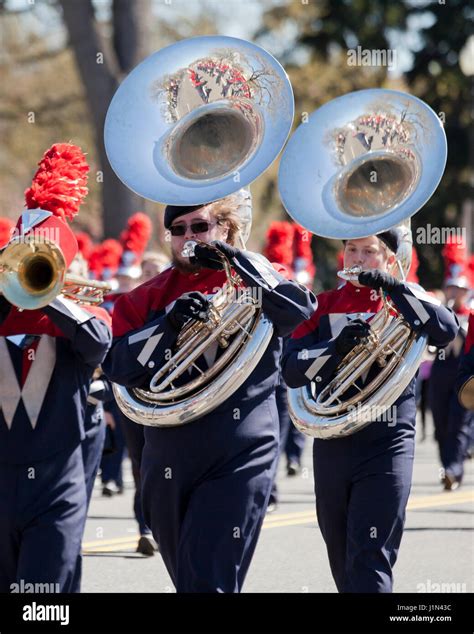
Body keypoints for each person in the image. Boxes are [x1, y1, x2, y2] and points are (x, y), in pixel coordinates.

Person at [103, 193, 316, 592]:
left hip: (241, 448)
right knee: (193, 580)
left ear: (224, 228)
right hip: (167, 455)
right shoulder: (145, 298)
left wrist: (237, 262)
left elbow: (297, 311)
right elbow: (118, 367)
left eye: (200, 227)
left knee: (208, 579)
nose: (188, 237)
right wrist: (167, 325)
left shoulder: (256, 274)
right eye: (178, 230)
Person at [282, 230, 459, 593]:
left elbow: (446, 330)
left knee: (370, 555)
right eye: (352, 250)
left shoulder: (408, 300)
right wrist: (334, 350)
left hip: (388, 441)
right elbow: (291, 367)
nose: (359, 259)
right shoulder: (322, 304)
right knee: (342, 554)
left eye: (369, 251)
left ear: (390, 259)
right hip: (334, 440)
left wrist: (394, 287)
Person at [0, 143, 112, 593]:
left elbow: (98, 343)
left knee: (42, 599)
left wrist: (53, 293)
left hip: (56, 482)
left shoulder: (83, 317)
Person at [428, 273, 473, 490]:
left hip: (462, 375)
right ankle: (447, 467)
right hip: (440, 374)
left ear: (466, 292)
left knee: (459, 423)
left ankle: (453, 469)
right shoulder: (438, 313)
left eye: (459, 289)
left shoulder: (470, 316)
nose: (454, 293)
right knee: (440, 424)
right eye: (451, 288)